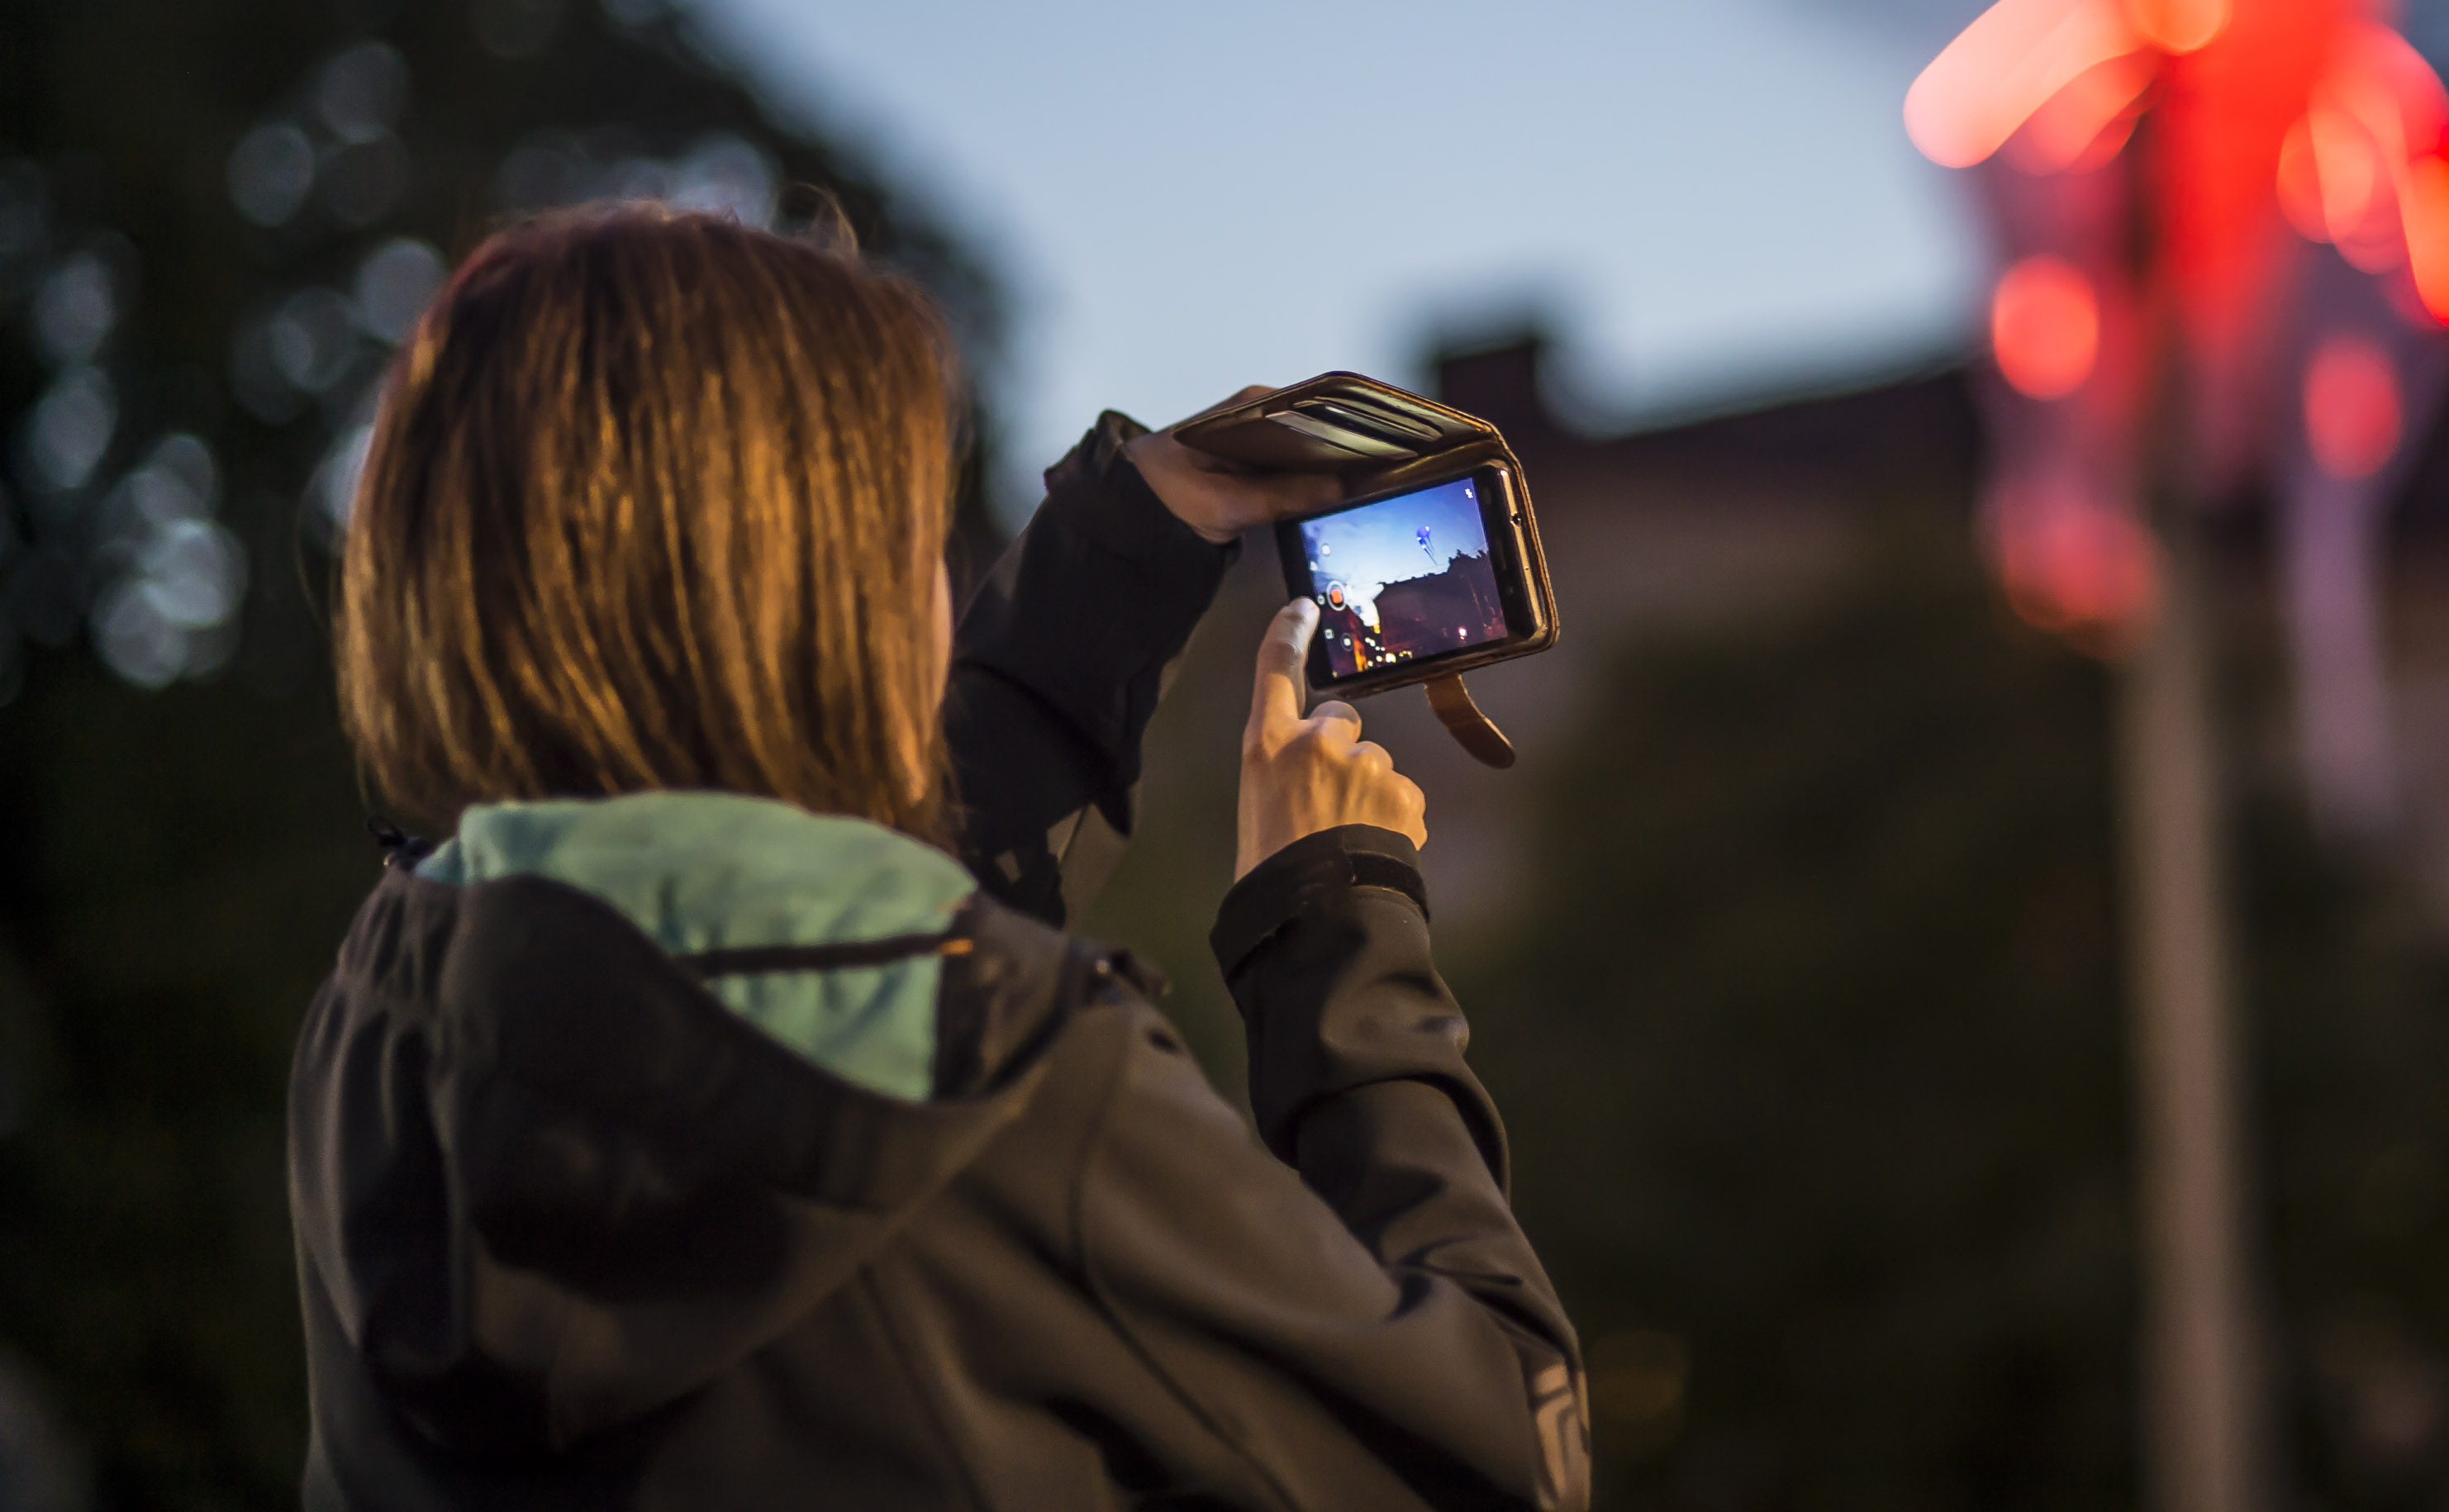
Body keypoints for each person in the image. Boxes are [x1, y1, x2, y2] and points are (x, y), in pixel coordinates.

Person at [289, 204, 1590, 1510]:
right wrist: (1336, 921)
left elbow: (804, 925)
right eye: (911, 527)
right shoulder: (1018, 1090)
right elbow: (1506, 1454)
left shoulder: (390, 1014)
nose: (938, 575)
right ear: (813, 590)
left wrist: (1120, 551)